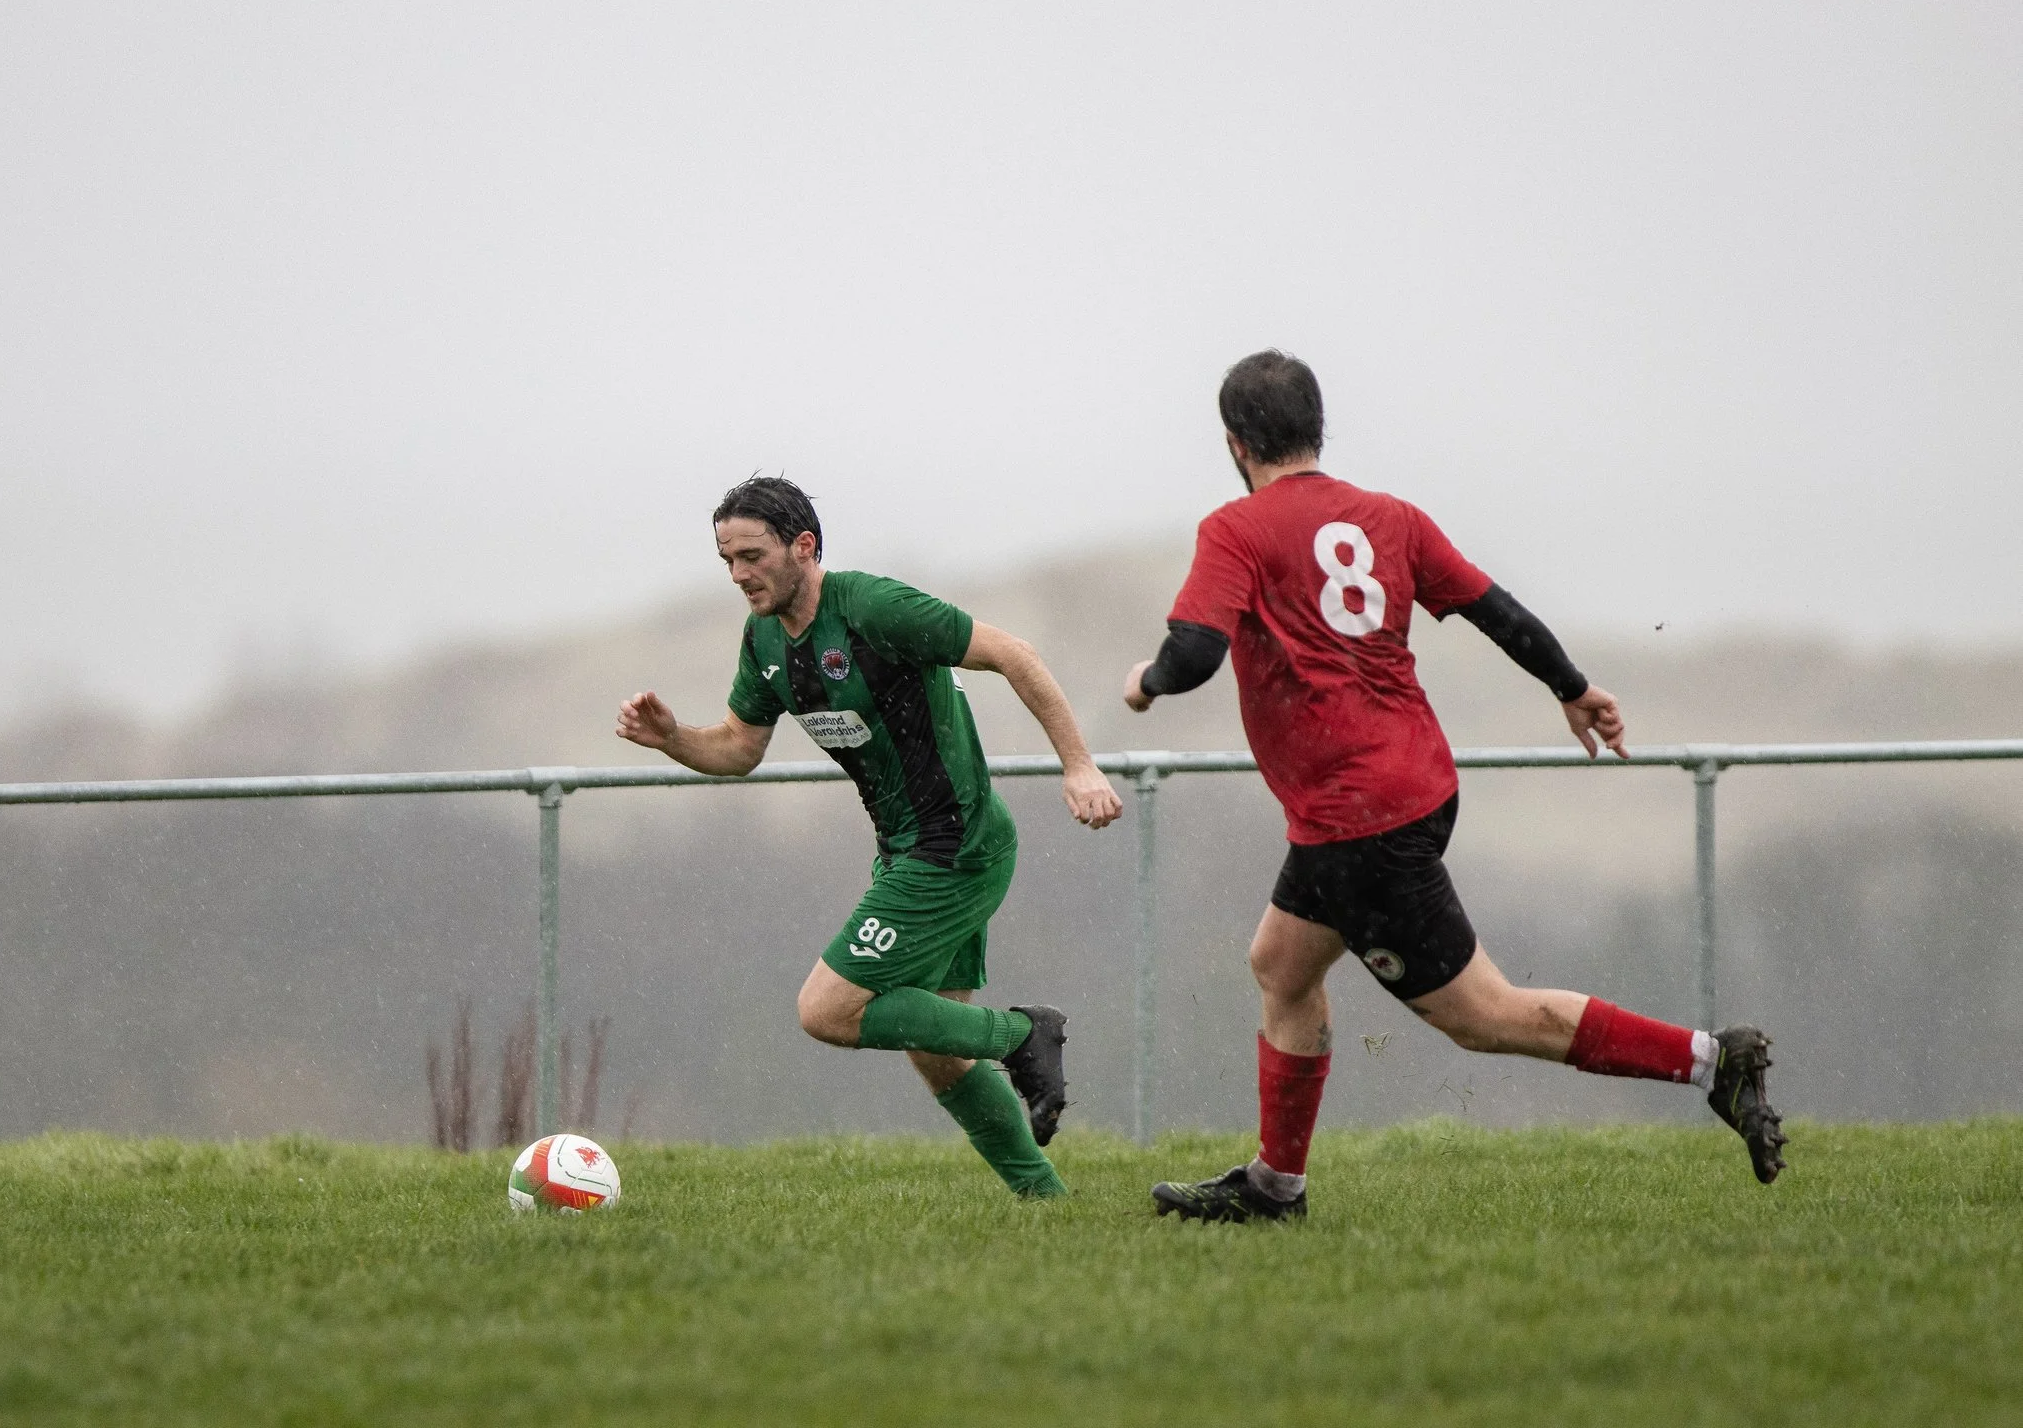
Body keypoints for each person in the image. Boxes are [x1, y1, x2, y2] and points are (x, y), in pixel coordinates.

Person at [1126, 351, 1786, 1222]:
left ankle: (1711, 1061)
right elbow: (1496, 610)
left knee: (1484, 1015)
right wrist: (1573, 687)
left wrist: (1146, 680)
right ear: (1317, 427)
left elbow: (1194, 654)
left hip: (1359, 819)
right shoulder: (1391, 518)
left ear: (1235, 444)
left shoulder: (1236, 530)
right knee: (1281, 966)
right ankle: (1275, 1185)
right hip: (1410, 787)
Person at [617, 476, 1123, 1198]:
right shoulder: (764, 638)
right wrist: (671, 739)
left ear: (804, 546)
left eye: (753, 556)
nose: (739, 575)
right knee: (937, 1050)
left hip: (954, 848)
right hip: (909, 850)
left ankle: (1024, 1035)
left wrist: (1078, 766)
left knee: (825, 1010)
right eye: (727, 560)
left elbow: (1015, 652)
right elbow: (737, 747)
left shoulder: (875, 608)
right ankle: (1048, 1203)